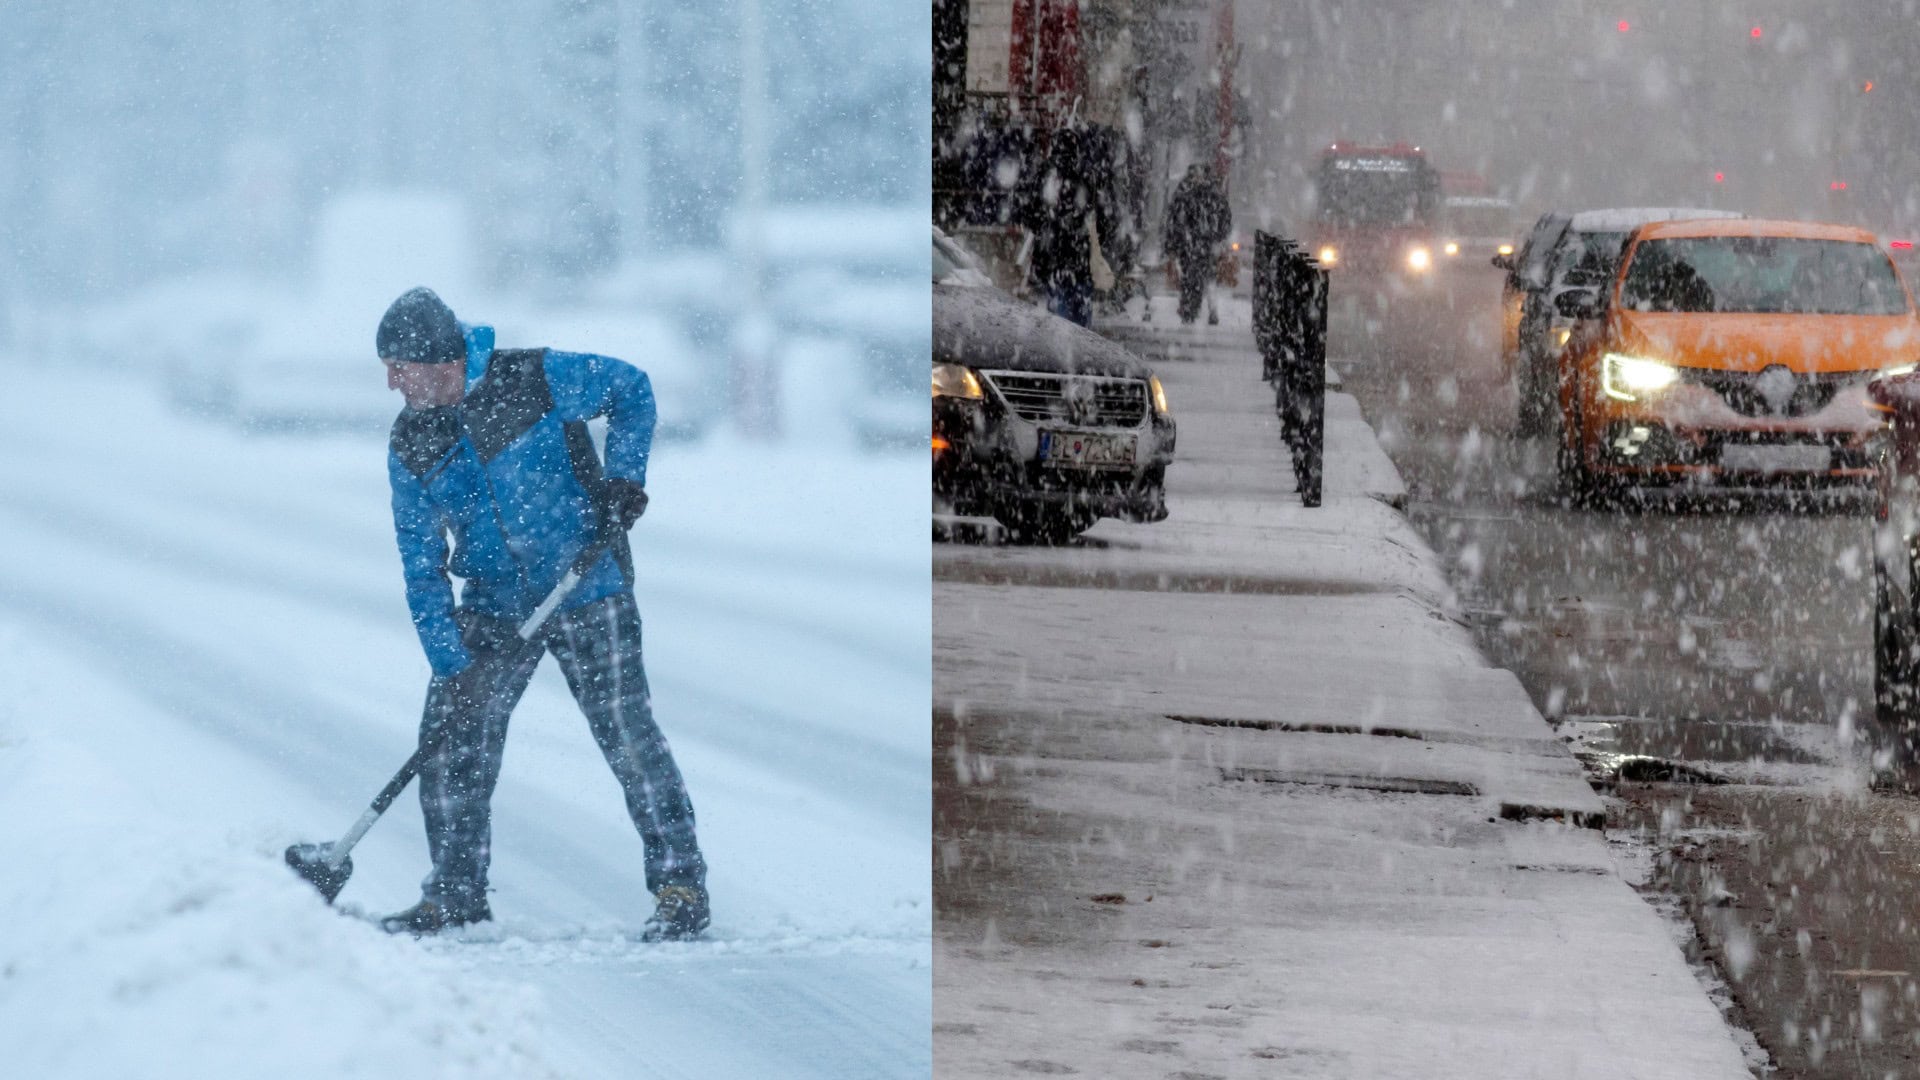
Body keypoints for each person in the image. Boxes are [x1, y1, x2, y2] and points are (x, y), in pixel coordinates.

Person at [374, 286, 709, 940]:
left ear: (439, 361)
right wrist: (453, 662)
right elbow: (420, 564)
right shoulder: (412, 442)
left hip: (586, 585)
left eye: (398, 367)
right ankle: (455, 894)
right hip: (495, 602)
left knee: (627, 736)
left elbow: (632, 391)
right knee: (450, 740)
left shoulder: (531, 378)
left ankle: (679, 885)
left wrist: (625, 479)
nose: (390, 383)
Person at [1020, 123, 1118, 327]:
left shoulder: (1045, 173)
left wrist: (1044, 229)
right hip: (1079, 256)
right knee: (1081, 311)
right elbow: (1101, 215)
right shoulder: (1086, 174)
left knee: (1059, 314)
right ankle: (1081, 350)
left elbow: (1030, 213)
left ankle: (1063, 350)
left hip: (1052, 257)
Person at [1165, 164, 1232, 325]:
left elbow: (1176, 220)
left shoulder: (1187, 194)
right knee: (1204, 277)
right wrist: (1218, 237)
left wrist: (1174, 244)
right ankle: (1204, 307)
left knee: (1193, 277)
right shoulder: (1213, 196)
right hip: (1202, 244)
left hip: (1193, 244)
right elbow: (1225, 219)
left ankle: (1191, 308)